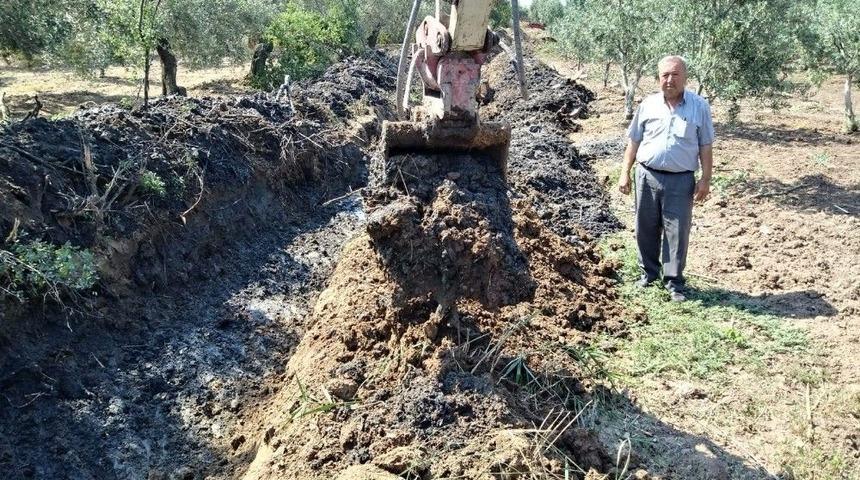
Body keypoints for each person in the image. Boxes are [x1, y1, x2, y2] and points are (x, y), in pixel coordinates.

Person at [617, 55, 714, 302]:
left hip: (681, 180)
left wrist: (705, 180)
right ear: (658, 78)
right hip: (647, 175)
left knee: (677, 231)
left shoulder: (699, 106)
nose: (669, 80)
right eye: (664, 75)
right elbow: (634, 140)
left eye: (675, 75)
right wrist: (624, 172)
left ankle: (674, 283)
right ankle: (648, 274)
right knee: (645, 227)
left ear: (685, 77)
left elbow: (705, 145)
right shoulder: (648, 105)